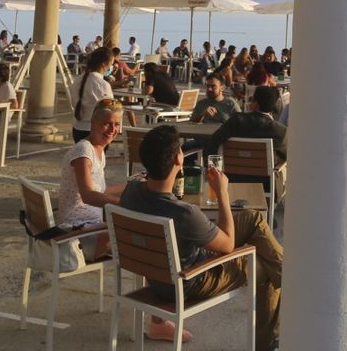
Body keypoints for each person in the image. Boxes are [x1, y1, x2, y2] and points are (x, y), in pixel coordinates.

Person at [120, 124, 283, 350]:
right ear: (179, 159)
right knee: (266, 268)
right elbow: (226, 245)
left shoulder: (131, 192)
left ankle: (288, 276)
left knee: (252, 218)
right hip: (190, 279)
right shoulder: (185, 214)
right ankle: (267, 342)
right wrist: (222, 193)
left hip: (157, 274)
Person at [56, 98, 125, 258]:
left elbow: (99, 191)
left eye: (116, 124)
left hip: (89, 227)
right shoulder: (83, 152)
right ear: (93, 122)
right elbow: (88, 195)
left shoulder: (97, 149)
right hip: (75, 234)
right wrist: (125, 205)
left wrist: (131, 186)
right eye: (107, 124)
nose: (112, 129)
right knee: (135, 236)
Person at [207, 85, 288, 202]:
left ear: (255, 103)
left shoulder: (236, 121)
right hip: (265, 185)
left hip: (232, 179)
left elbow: (214, 142)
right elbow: (288, 156)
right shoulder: (280, 131)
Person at [69, 49, 114, 142]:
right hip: (95, 130)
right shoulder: (102, 84)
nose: (111, 66)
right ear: (104, 64)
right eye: (111, 63)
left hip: (77, 128)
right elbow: (110, 110)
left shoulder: (77, 80)